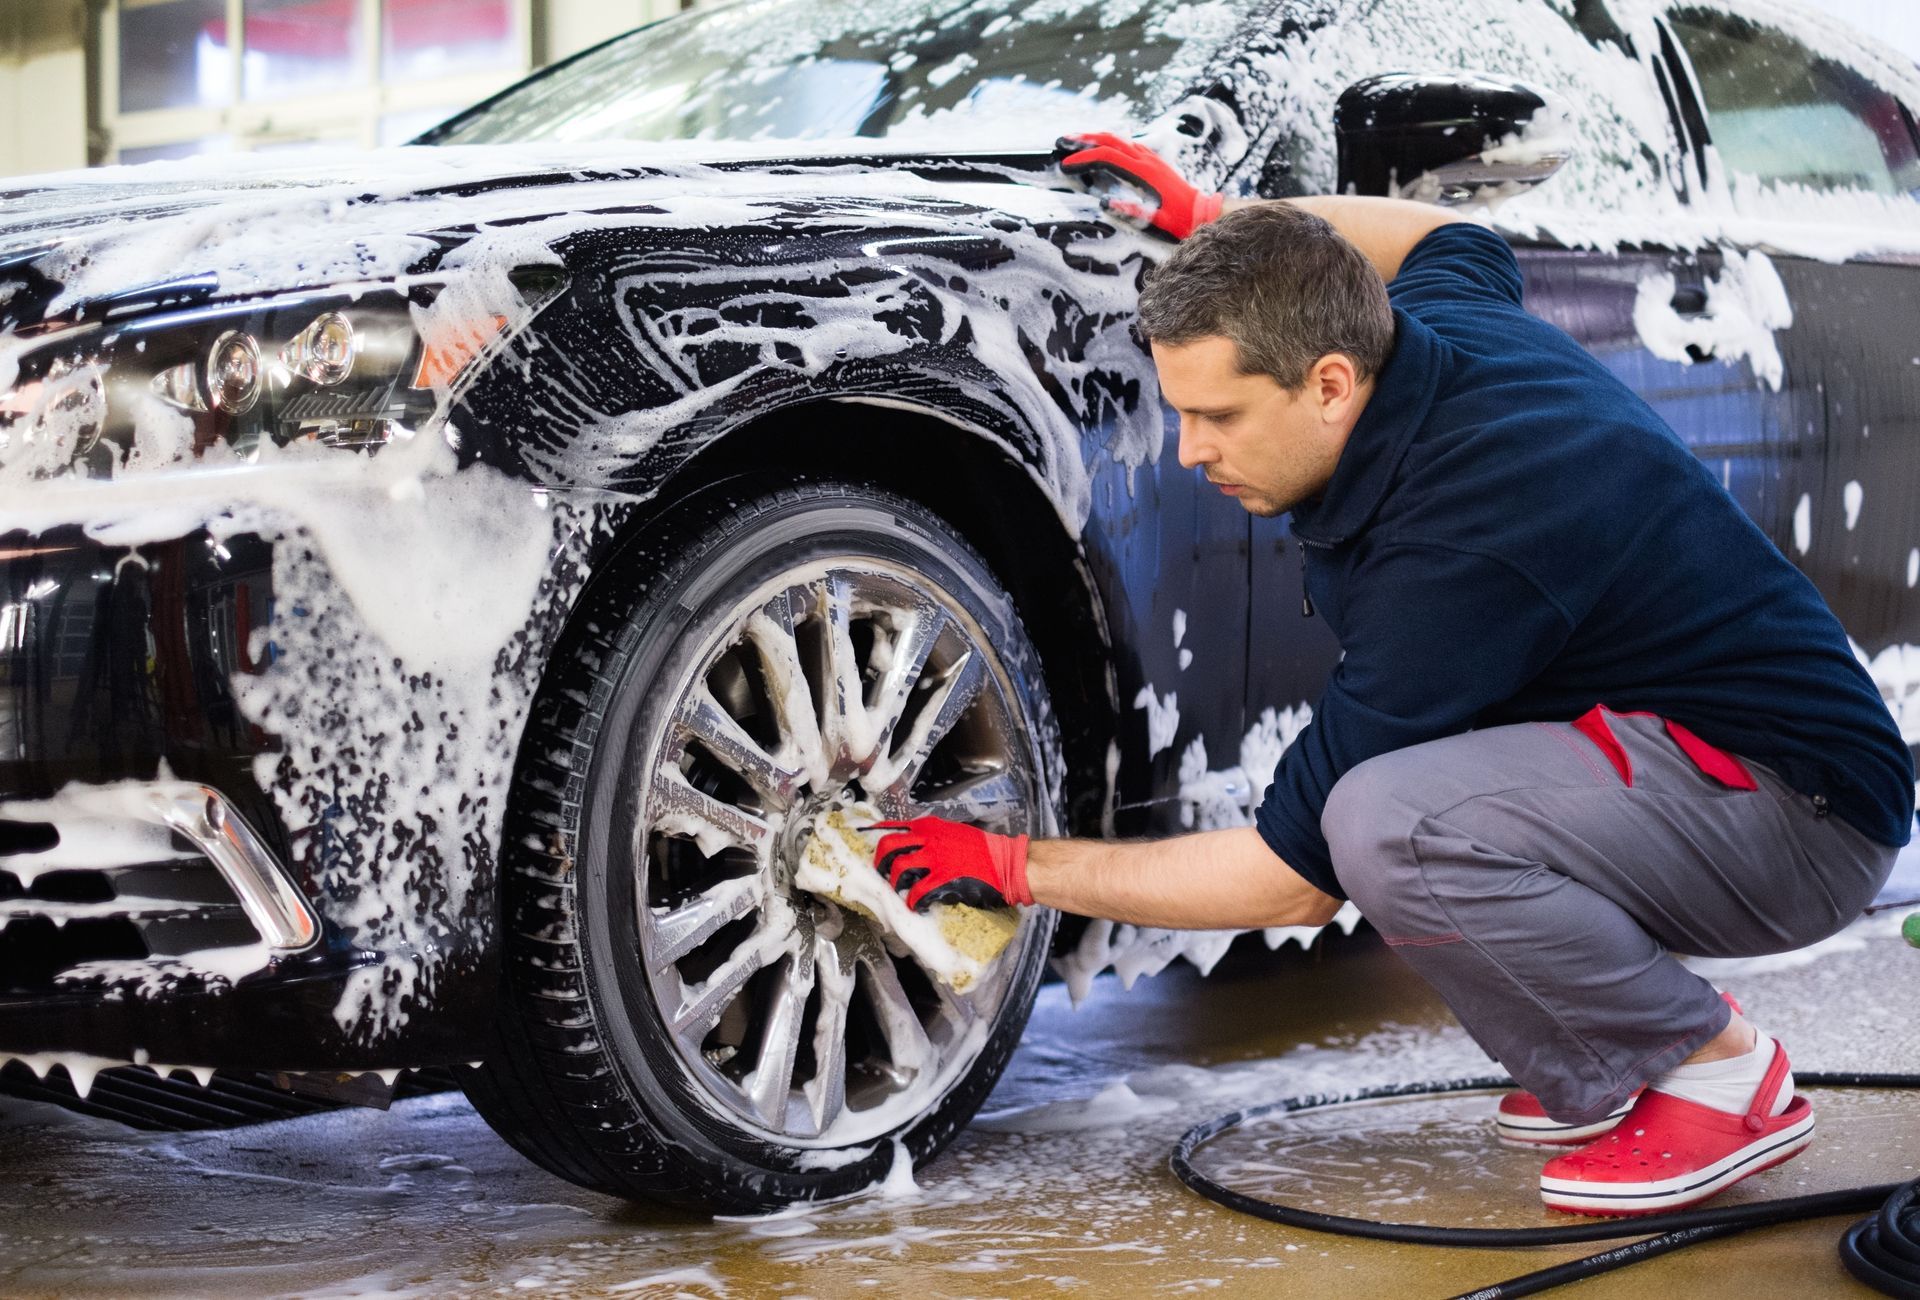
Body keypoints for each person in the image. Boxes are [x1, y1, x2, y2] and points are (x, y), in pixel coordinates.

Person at [867, 133, 1914, 1216]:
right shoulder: (1428, 330)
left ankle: (1719, 1071)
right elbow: (1450, 233)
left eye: (1217, 415)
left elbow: (1293, 876)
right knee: (1400, 805)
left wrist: (1013, 864)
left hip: (1801, 819)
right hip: (1702, 758)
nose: (1188, 450)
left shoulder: (1461, 547)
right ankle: (1604, 1067)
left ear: (1328, 384)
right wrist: (1217, 215)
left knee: (1385, 822)